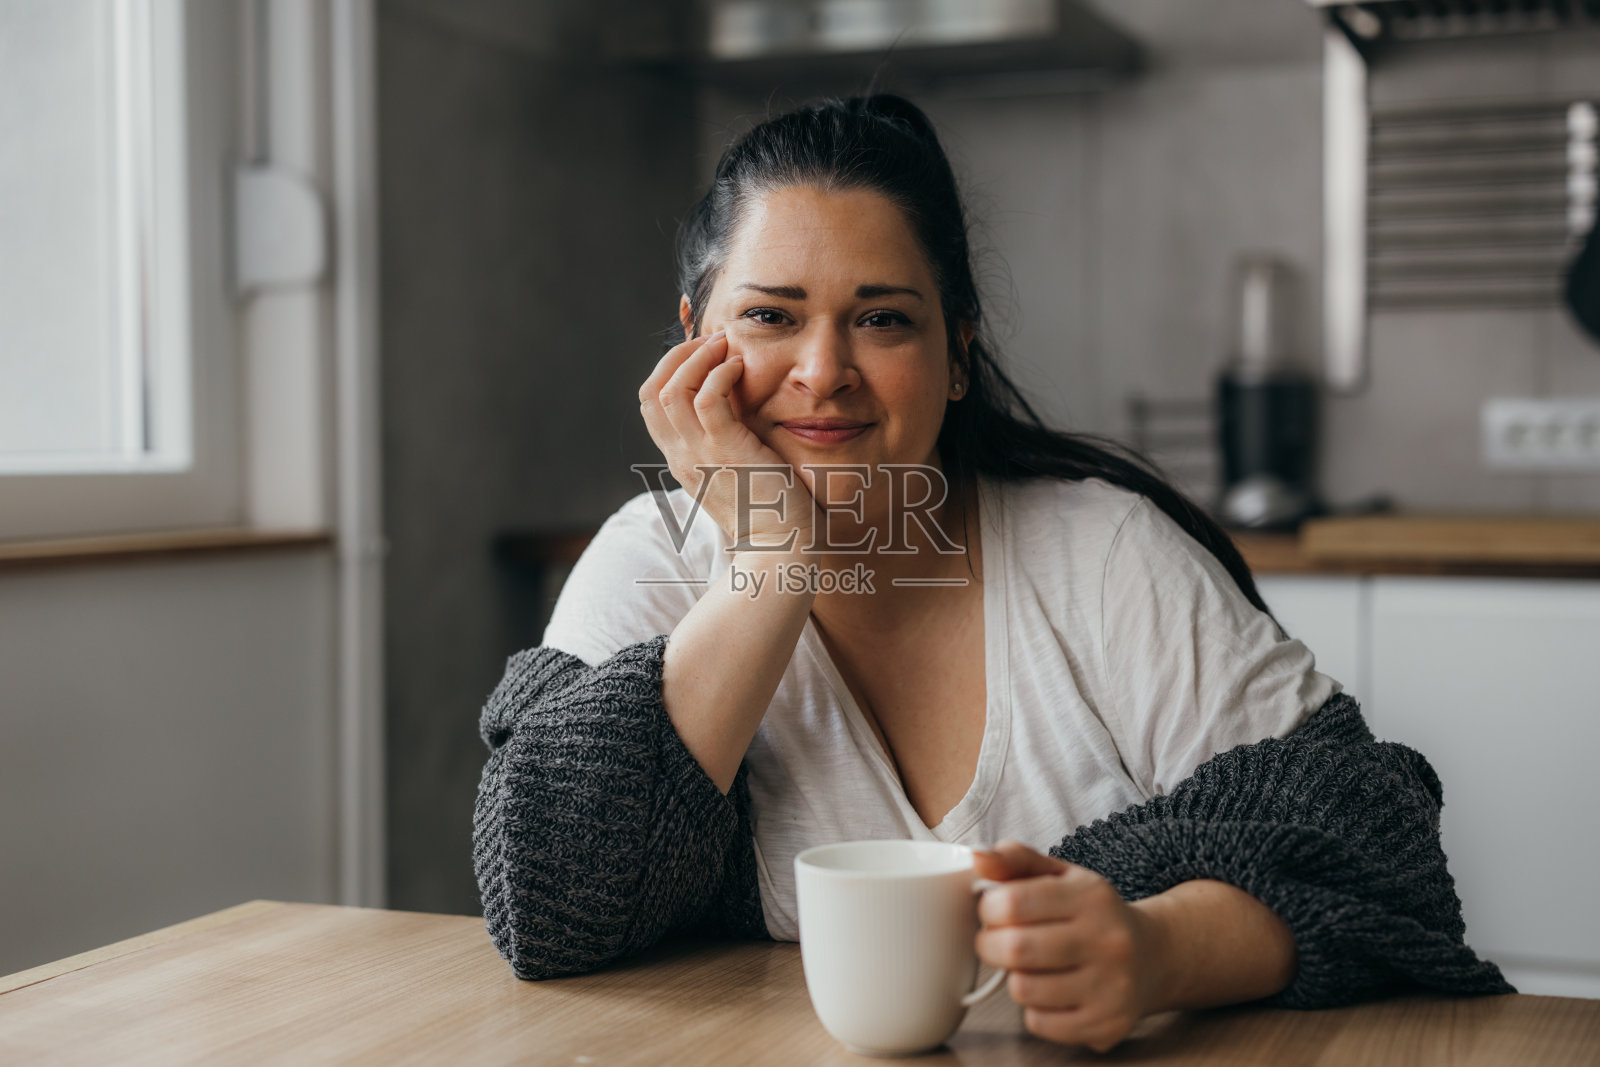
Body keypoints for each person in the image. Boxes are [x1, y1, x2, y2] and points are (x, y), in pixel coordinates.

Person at [473, 95, 1510, 1051]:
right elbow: (547, 895)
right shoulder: (652, 559)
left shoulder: (1104, 554)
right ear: (695, 341)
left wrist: (1155, 949)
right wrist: (773, 555)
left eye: (882, 318)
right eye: (771, 316)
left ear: (957, 352)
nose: (823, 368)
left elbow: (1375, 842)